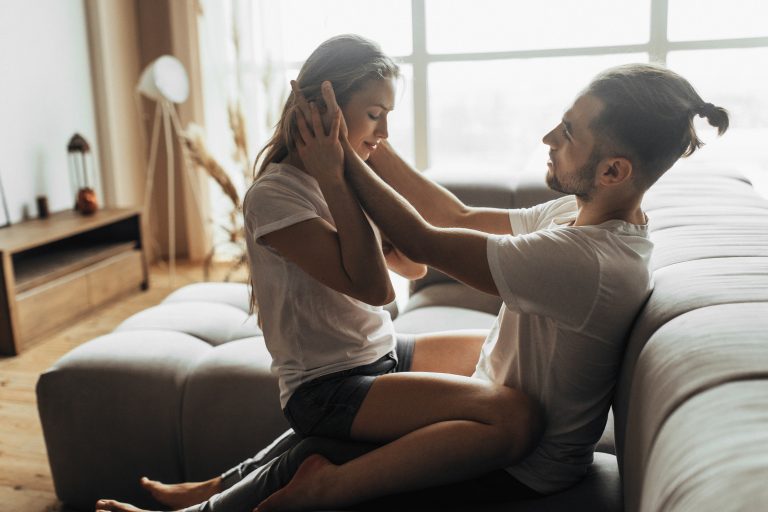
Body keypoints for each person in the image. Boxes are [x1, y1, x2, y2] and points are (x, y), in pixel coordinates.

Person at [97, 60, 729, 511]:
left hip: (517, 463)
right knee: (390, 373)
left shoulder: (588, 262)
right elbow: (451, 217)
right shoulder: (582, 214)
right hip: (501, 392)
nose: (548, 139)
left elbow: (424, 243)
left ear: (614, 168)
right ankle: (218, 486)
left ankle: (295, 494)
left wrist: (343, 156)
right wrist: (366, 146)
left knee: (334, 434)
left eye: (568, 134)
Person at [95, 34, 542, 512]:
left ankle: (215, 486)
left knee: (512, 346)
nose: (385, 132)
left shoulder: (352, 177)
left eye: (388, 116)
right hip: (328, 388)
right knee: (511, 416)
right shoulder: (276, 196)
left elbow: (414, 265)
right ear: (325, 109)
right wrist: (336, 176)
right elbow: (374, 288)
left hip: (380, 352)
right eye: (375, 115)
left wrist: (358, 164)